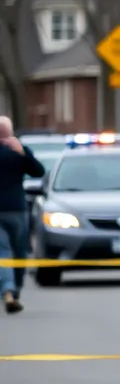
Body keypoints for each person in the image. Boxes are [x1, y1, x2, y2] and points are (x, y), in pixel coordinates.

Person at [0, 116, 45, 314]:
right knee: (16, 252)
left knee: (7, 253)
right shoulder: (19, 151)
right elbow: (38, 171)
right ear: (10, 132)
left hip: (10, 210)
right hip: (17, 209)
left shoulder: (18, 151)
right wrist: (22, 154)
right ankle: (13, 289)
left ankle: (10, 290)